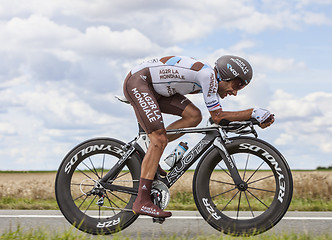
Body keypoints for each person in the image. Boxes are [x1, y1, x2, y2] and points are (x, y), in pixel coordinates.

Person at [123, 55, 275, 218]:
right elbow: (218, 117)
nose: (235, 92)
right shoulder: (208, 76)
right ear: (225, 75)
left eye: (241, 87)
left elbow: (222, 118)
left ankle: (148, 151)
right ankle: (142, 201)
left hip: (156, 88)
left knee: (194, 116)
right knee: (158, 140)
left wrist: (252, 119)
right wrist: (253, 112)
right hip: (139, 82)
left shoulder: (209, 78)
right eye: (237, 84)